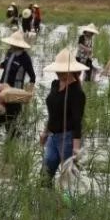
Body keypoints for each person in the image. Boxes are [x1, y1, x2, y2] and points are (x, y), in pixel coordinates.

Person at [39, 49, 89, 183]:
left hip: (67, 138)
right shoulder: (55, 85)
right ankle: (43, 201)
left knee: (67, 181)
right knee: (44, 177)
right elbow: (52, 113)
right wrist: (45, 132)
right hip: (52, 137)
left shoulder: (77, 92)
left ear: (71, 70)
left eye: (62, 71)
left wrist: (76, 149)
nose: (59, 73)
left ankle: (65, 203)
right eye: (58, 71)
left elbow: (77, 121)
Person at [0, 30, 35, 135]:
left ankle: (15, 139)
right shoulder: (9, 52)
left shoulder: (25, 58)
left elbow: (32, 76)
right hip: (2, 89)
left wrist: (29, 92)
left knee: (10, 122)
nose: (10, 45)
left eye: (12, 43)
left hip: (14, 93)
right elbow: (5, 64)